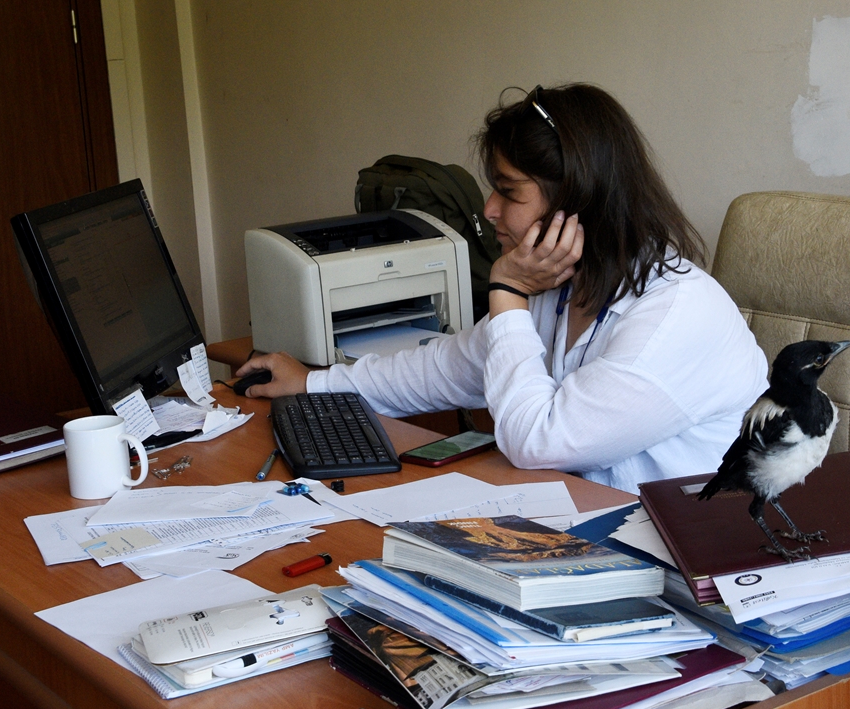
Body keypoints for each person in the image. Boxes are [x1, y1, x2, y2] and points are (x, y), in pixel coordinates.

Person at [237, 83, 768, 493]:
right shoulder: (564, 285)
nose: (489, 209)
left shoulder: (676, 315)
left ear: (576, 199)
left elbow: (538, 442)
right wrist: (315, 383)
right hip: (589, 527)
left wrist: (508, 290)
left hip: (683, 566)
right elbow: (449, 368)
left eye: (508, 192)